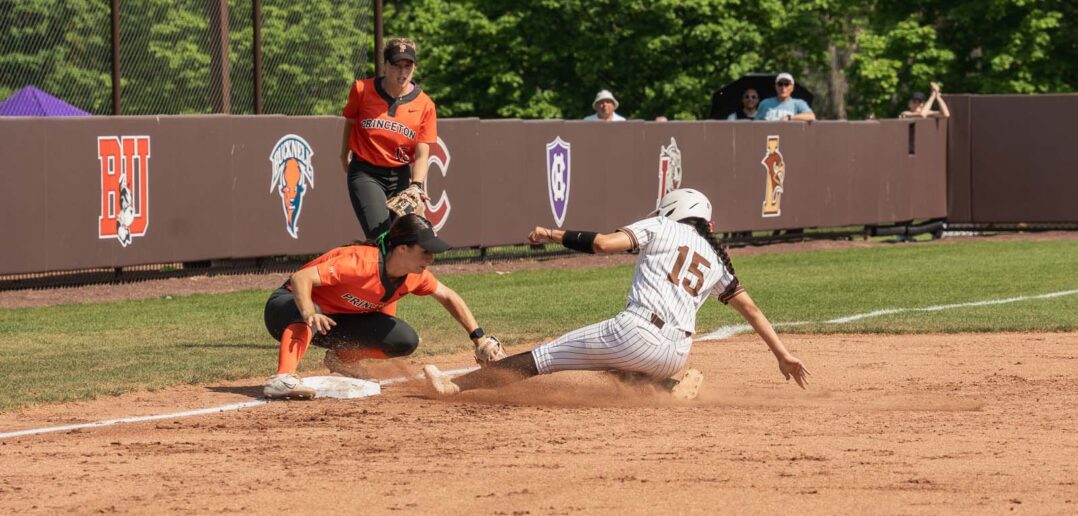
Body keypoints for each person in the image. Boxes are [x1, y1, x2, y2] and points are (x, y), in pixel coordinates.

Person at [423, 189, 810, 400]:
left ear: (673, 209)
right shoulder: (714, 256)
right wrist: (783, 354)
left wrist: (552, 233)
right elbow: (752, 309)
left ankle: (453, 385)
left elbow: (605, 245)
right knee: (615, 362)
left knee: (541, 358)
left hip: (637, 333)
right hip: (676, 354)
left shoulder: (661, 225)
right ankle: (667, 387)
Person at [262, 214, 499, 399]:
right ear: (402, 248)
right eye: (425, 251)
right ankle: (282, 378)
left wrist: (479, 339)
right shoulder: (360, 262)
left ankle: (341, 357)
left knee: (403, 339)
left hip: (333, 321)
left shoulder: (414, 275)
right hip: (286, 308)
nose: (430, 258)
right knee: (312, 310)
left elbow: (448, 296)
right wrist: (309, 312)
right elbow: (300, 278)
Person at [341, 37, 437, 240]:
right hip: (366, 172)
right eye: (396, 65)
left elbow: (422, 155)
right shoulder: (362, 90)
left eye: (408, 66)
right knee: (381, 236)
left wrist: (416, 186)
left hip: (400, 176)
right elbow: (350, 122)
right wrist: (343, 154)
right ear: (385, 64)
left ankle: (396, 272)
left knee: (406, 239)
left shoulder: (425, 104)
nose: (402, 72)